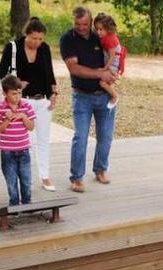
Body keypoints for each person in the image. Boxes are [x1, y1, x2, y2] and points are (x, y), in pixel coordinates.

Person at [60, 6, 119, 192]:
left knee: (106, 137)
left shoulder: (99, 36)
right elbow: (74, 69)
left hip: (104, 96)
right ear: (73, 21)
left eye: (85, 24)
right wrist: (100, 74)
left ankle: (100, 169)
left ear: (91, 21)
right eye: (77, 24)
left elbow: (114, 51)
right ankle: (76, 178)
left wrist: (112, 73)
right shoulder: (67, 39)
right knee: (81, 137)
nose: (81, 27)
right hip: (82, 97)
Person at [0, 17, 59, 192]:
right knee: (26, 141)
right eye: (34, 38)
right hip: (22, 101)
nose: (37, 42)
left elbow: (51, 73)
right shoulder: (13, 47)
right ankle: (26, 177)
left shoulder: (45, 49)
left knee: (43, 139)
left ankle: (45, 176)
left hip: (43, 100)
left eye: (40, 39)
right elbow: (1, 72)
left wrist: (54, 93)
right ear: (26, 35)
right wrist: (16, 82)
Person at [0, 75, 36, 206]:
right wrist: (7, 119)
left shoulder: (26, 106)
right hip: (7, 152)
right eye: (13, 94)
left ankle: (27, 203)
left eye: (19, 93)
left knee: (26, 179)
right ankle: (14, 204)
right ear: (5, 93)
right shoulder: (0, 108)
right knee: (11, 181)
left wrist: (23, 117)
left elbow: (31, 127)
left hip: (23, 150)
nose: (17, 97)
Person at [94, 13, 126, 110]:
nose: (98, 32)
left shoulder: (110, 39)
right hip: (110, 60)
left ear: (108, 28)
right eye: (97, 29)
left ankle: (114, 96)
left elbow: (112, 57)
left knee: (102, 83)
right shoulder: (105, 36)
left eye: (101, 29)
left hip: (113, 63)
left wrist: (105, 68)